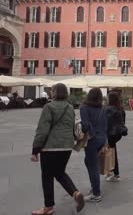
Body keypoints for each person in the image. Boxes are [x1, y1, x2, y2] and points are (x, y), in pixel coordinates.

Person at [31, 83, 85, 214]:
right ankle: (76, 193)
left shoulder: (48, 107)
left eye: (52, 91)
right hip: (67, 146)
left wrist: (35, 150)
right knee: (60, 172)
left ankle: (48, 207)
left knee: (47, 176)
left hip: (50, 147)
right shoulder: (70, 107)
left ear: (55, 93)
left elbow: (42, 130)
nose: (50, 93)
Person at [80, 88, 107, 202]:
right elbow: (106, 125)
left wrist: (89, 134)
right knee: (89, 161)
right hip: (101, 138)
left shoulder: (84, 108)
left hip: (92, 139)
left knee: (93, 166)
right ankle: (94, 186)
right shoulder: (103, 108)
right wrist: (105, 140)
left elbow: (86, 125)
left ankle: (96, 193)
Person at [105, 91, 127, 183]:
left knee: (110, 153)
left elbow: (106, 123)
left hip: (110, 134)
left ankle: (112, 173)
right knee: (112, 151)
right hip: (118, 134)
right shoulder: (121, 109)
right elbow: (123, 122)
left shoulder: (107, 109)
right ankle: (114, 173)